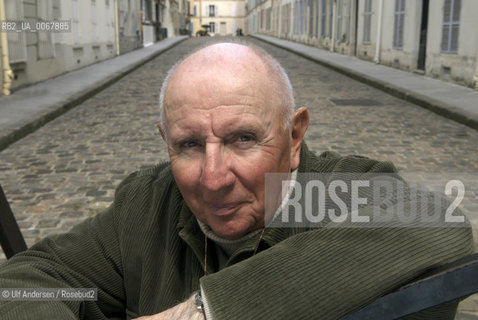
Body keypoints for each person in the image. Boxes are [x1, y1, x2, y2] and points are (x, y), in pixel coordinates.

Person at [0, 42, 473, 320]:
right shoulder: (148, 203)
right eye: (188, 145)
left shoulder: (327, 192)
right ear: (165, 140)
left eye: (243, 138)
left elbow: (436, 223)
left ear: (294, 136)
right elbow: (25, 284)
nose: (212, 177)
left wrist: (208, 310)